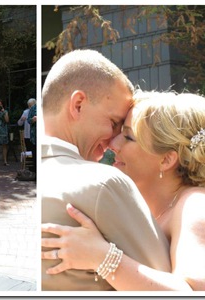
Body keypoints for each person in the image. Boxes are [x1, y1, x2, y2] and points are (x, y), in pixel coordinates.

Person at [41, 91, 205, 291]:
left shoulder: (197, 205)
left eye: (127, 137)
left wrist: (100, 257)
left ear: (166, 160)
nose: (113, 144)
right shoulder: (147, 205)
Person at [40, 49, 171, 290]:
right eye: (114, 124)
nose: (113, 142)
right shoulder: (103, 183)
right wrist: (105, 258)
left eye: (124, 133)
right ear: (78, 105)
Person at [18, 98, 36, 172]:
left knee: (34, 151)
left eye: (31, 105)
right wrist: (22, 119)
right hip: (27, 135)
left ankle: (34, 167)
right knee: (30, 151)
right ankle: (31, 168)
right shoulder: (25, 112)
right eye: (29, 106)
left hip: (34, 136)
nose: (30, 107)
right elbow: (19, 123)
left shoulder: (36, 111)